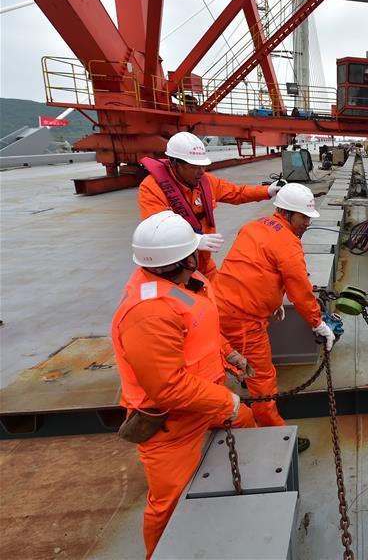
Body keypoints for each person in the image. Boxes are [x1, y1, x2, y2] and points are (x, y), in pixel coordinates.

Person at [111, 211, 256, 558]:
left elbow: (200, 327)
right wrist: (226, 403)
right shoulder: (149, 314)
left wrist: (229, 354)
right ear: (187, 258)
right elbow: (168, 388)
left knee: (248, 422)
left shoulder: (188, 284)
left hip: (205, 402)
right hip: (171, 425)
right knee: (168, 502)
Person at [214, 183, 336, 430]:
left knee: (228, 360)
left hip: (218, 306)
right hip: (244, 320)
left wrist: (273, 301)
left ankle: (230, 383)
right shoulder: (289, 244)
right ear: (287, 213)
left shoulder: (254, 226)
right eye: (304, 217)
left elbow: (253, 268)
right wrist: (318, 323)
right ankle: (272, 431)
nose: (307, 224)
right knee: (263, 378)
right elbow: (300, 291)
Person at [138, 131, 282, 280]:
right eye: (194, 166)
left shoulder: (206, 182)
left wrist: (267, 191)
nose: (201, 172)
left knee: (218, 298)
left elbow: (237, 193)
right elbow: (157, 232)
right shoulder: (152, 188)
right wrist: (194, 240)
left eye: (203, 166)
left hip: (205, 265)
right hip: (174, 270)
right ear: (174, 163)